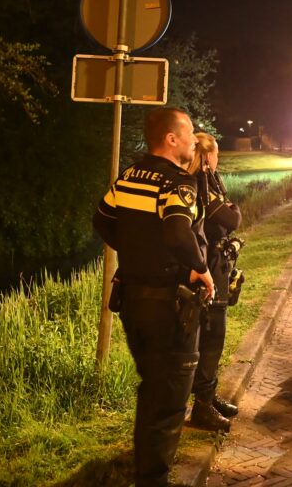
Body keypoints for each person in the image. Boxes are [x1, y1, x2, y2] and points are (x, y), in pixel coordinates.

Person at [92, 107, 215, 487]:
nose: (195, 139)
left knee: (152, 386)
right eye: (190, 132)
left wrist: (134, 252)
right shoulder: (177, 183)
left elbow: (102, 220)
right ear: (171, 139)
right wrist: (199, 266)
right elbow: (179, 232)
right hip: (168, 303)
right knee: (169, 398)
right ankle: (153, 479)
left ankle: (147, 468)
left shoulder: (129, 176)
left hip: (131, 299)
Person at [188, 132, 243, 431]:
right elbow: (232, 218)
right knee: (212, 335)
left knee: (211, 335)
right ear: (207, 156)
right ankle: (202, 406)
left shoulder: (201, 182)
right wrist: (234, 208)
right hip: (208, 267)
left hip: (212, 264)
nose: (219, 158)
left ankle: (207, 396)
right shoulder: (202, 184)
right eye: (217, 153)